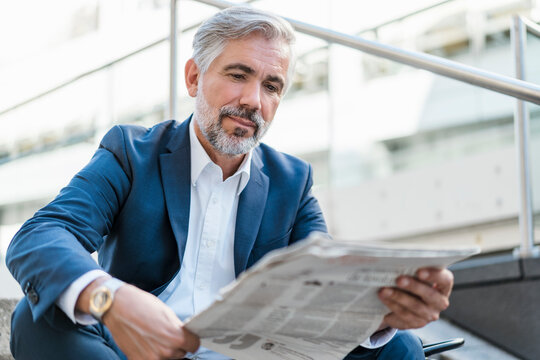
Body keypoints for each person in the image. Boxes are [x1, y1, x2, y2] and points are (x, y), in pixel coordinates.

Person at [6, 6, 453, 360]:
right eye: (238, 75)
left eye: (272, 86)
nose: (253, 101)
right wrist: (111, 299)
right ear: (195, 77)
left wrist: (377, 315)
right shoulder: (130, 152)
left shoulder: (292, 183)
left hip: (251, 356)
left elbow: (322, 295)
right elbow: (41, 236)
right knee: (36, 318)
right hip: (138, 349)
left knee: (398, 346)